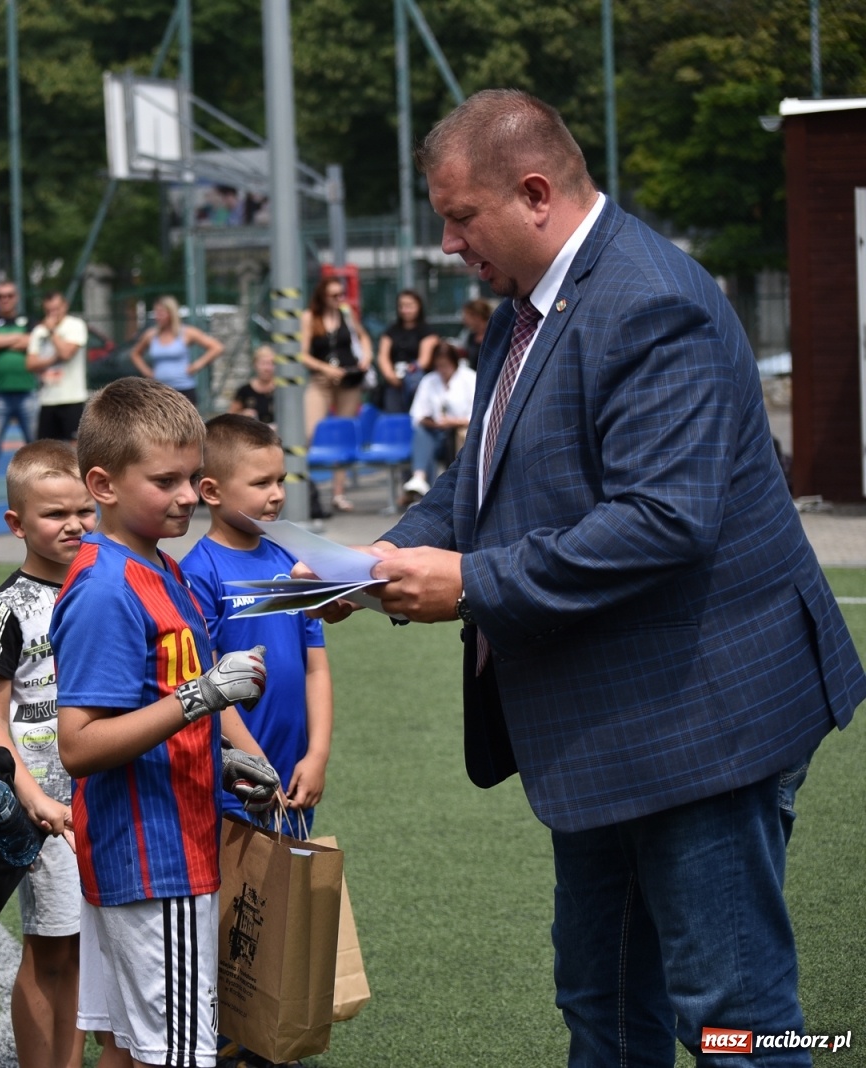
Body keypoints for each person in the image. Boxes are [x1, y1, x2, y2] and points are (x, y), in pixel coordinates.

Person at [320, 89, 864, 1067]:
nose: (446, 243)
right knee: (602, 995)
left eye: (456, 217)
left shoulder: (651, 300)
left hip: (703, 719)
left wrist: (473, 584)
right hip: (615, 722)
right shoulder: (524, 305)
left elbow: (664, 522)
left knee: (733, 1015)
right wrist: (372, 562)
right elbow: (485, 476)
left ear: (533, 193)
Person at [52, 377, 278, 1068]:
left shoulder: (157, 566)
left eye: (194, 476)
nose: (187, 494)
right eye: (166, 480)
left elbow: (146, 706)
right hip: (157, 861)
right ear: (103, 483)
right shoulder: (107, 586)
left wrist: (217, 755)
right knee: (179, 1055)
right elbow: (80, 744)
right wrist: (203, 698)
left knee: (126, 1048)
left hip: (165, 842)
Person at [0, 440, 96, 1068]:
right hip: (47, 807)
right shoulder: (7, 607)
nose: (74, 525)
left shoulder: (103, 585)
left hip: (103, 795)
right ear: (17, 523)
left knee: (85, 948)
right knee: (50, 946)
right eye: (55, 514)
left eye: (84, 510)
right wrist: (32, 795)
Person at [182, 416, 333, 827]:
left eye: (281, 480)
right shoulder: (199, 572)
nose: (277, 495)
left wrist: (317, 755)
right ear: (210, 491)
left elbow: (315, 668)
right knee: (241, 892)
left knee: (294, 889)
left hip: (295, 778)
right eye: (261, 483)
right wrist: (257, 766)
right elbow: (207, 685)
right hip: (238, 785)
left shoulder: (291, 561)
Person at [300, 277, 374, 511]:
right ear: (322, 296)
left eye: (341, 294)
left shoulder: (346, 313)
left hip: (348, 379)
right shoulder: (310, 317)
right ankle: (302, 486)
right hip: (322, 380)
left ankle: (338, 493)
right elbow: (302, 354)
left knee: (342, 434)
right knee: (309, 432)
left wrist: (367, 357)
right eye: (334, 295)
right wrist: (326, 368)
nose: (339, 299)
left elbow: (362, 336)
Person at [0, 282, 35, 505]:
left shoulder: (28, 320)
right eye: (0, 296)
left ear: (16, 297)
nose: (5, 299)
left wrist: (0, 342)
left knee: (34, 444)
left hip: (27, 392)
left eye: (9, 295)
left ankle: (33, 488)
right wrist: (17, 340)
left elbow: (33, 341)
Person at [402, 341, 476, 498]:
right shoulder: (429, 380)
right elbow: (417, 414)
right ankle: (419, 478)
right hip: (435, 432)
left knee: (448, 436)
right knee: (422, 433)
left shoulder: (469, 378)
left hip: (460, 432)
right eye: (438, 366)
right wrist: (433, 423)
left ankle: (441, 491)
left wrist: (454, 422)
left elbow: (478, 415)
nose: (442, 370)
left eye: (445, 365)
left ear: (454, 362)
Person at [129, 296, 225, 407]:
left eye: (161, 313)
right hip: (160, 390)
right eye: (156, 312)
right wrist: (147, 372)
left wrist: (196, 366)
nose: (157, 316)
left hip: (184, 389)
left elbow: (217, 347)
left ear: (171, 313)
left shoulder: (187, 332)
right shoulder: (151, 335)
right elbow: (135, 354)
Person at [27, 292, 90, 442]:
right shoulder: (38, 331)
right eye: (49, 310)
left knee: (76, 447)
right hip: (47, 399)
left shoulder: (75, 326)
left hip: (72, 398)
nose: (53, 314)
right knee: (46, 449)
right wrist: (53, 358)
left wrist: (52, 332)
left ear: (65, 306)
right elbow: (30, 364)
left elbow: (66, 353)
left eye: (57, 309)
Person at [374, 290, 438, 414]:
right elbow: (383, 357)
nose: (405, 310)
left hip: (417, 382)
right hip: (394, 384)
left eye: (409, 306)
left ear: (418, 306)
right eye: (402, 306)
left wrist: (409, 372)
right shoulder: (391, 331)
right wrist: (391, 376)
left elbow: (424, 360)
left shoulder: (427, 331)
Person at [229, 346, 278, 426]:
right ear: (255, 364)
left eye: (271, 363)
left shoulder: (281, 390)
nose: (267, 368)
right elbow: (229, 418)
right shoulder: (245, 391)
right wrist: (242, 415)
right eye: (263, 363)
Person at [459, 298, 492, 368]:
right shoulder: (470, 336)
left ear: (477, 317)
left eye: (466, 316)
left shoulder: (493, 335)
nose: (464, 319)